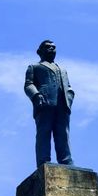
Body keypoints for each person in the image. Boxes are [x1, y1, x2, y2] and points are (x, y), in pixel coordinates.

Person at [24, 40, 74, 168]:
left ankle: (66, 160)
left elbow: (68, 86)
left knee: (63, 133)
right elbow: (28, 84)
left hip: (62, 105)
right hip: (44, 104)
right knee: (44, 133)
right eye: (47, 47)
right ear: (39, 51)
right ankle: (43, 160)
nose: (51, 49)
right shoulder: (34, 67)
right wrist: (36, 95)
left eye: (53, 47)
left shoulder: (62, 69)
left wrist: (69, 97)